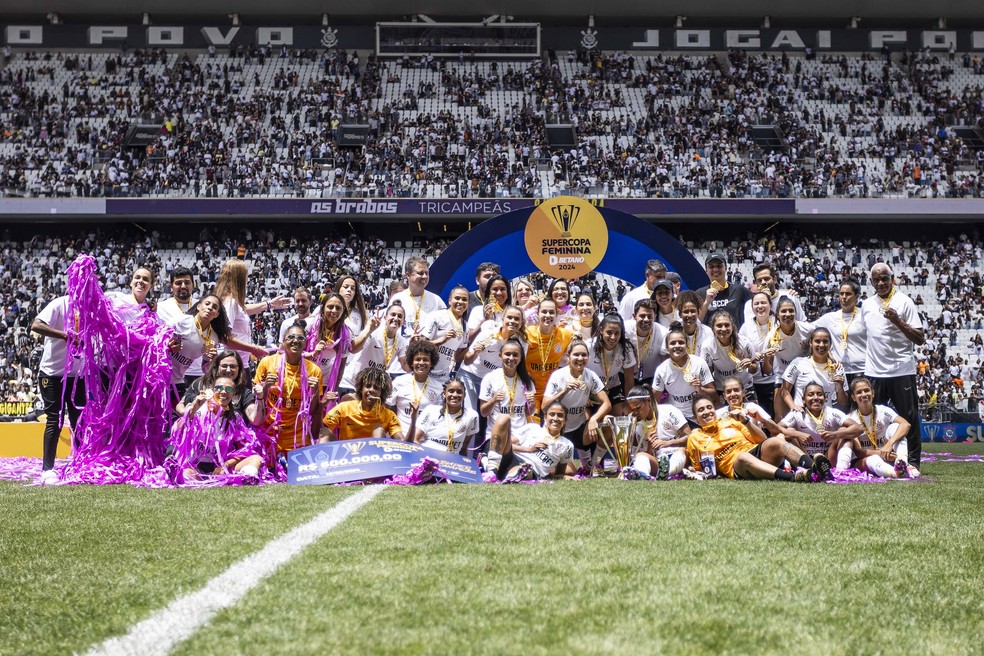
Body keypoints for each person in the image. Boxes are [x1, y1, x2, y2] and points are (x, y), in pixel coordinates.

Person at [861, 263, 925, 466]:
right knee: (873, 420)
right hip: (874, 372)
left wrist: (898, 321)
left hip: (901, 371)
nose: (881, 283)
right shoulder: (866, 305)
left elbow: (920, 338)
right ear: (871, 282)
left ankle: (913, 462)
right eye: (876, 279)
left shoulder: (904, 302)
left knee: (909, 418)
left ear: (892, 278)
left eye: (884, 278)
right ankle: (877, 459)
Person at [685, 395, 831, 482]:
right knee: (742, 457)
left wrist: (746, 421)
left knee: (775, 441)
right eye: (701, 410)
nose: (707, 412)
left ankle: (814, 467)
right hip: (738, 467)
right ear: (696, 418)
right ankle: (793, 478)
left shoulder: (730, 421)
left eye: (709, 407)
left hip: (755, 452)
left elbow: (762, 440)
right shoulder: (695, 437)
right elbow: (699, 468)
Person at [164, 294, 265, 398]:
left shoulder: (213, 337)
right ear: (199, 306)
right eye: (207, 304)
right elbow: (156, 343)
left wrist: (211, 359)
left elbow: (205, 368)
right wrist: (167, 347)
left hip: (177, 380)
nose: (210, 307)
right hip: (161, 376)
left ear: (216, 314)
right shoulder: (181, 321)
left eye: (214, 307)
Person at [169, 375, 267, 483]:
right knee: (186, 473)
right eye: (219, 388)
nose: (223, 392)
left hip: (221, 468)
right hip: (195, 466)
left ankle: (248, 481)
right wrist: (193, 410)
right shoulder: (198, 410)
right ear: (212, 391)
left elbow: (244, 450)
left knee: (256, 459)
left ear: (233, 394)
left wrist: (226, 465)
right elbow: (178, 432)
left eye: (229, 389)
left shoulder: (235, 419)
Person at [30, 294, 86, 483]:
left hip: (77, 373)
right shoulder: (59, 303)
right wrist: (64, 335)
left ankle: (80, 464)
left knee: (80, 420)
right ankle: (48, 469)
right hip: (52, 373)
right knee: (55, 419)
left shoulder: (91, 307)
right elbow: (36, 325)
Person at [254, 321, 324, 455]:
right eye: (291, 337)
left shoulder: (314, 370)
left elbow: (313, 410)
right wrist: (266, 386)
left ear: (306, 342)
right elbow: (258, 402)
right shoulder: (267, 363)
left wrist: (314, 392)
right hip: (269, 432)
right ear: (283, 341)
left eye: (300, 338)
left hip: (297, 436)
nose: (295, 341)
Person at [542, 339, 612, 473]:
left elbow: (607, 403)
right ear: (568, 357)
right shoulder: (558, 376)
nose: (580, 358)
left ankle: (594, 466)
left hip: (579, 429)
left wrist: (593, 419)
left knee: (608, 422)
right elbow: (544, 407)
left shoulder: (590, 375)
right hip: (558, 431)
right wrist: (564, 391)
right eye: (576, 355)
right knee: (567, 472)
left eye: (584, 355)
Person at [839, 376, 919, 478]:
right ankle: (896, 473)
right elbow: (858, 452)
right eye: (859, 392)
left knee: (895, 427)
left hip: (886, 455)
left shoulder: (883, 410)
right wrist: (881, 453)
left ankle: (902, 461)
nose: (864, 394)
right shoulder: (850, 419)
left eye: (866, 390)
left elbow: (905, 424)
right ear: (853, 397)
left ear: (873, 393)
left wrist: (889, 444)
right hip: (864, 460)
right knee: (874, 459)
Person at [215, 259, 289, 364]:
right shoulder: (230, 302)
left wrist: (269, 304)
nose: (248, 280)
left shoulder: (232, 302)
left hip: (237, 362)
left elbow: (243, 310)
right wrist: (253, 349)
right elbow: (225, 337)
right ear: (239, 279)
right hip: (232, 365)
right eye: (246, 276)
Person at [459, 305, 527, 414]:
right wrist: (475, 353)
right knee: (470, 413)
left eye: (517, 319)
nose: (512, 321)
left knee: (492, 414)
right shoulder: (488, 334)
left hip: (495, 381)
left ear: (521, 322)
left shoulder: (522, 343)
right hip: (471, 375)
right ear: (502, 319)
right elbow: (467, 361)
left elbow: (519, 366)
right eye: (509, 317)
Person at [486, 401, 576, 481]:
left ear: (565, 419)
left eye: (560, 415)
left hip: (531, 470)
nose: (555, 418)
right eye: (552, 414)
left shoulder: (567, 445)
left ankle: (510, 475)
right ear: (545, 417)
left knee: (524, 470)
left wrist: (563, 476)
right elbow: (505, 445)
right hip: (512, 458)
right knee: (503, 418)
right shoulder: (532, 428)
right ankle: (492, 471)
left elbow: (557, 473)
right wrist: (529, 449)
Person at [778, 381, 863, 461]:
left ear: (825, 398)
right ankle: (803, 467)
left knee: (844, 431)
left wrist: (835, 434)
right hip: (804, 457)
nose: (815, 398)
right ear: (803, 399)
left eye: (819, 394)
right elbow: (776, 429)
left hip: (828, 457)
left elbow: (859, 428)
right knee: (788, 432)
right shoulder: (797, 413)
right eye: (811, 395)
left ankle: (842, 469)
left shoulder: (832, 412)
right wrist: (797, 434)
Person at [340, 302, 409, 397]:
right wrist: (368, 330)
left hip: (370, 387)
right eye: (393, 314)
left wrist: (414, 348)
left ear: (404, 322)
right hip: (351, 384)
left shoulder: (402, 342)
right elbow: (353, 349)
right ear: (385, 317)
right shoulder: (374, 332)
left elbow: (406, 367)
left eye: (400, 316)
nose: (396, 318)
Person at [651, 323, 717, 424]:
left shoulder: (699, 363)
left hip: (699, 415)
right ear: (667, 349)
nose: (677, 346)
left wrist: (700, 389)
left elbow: (713, 394)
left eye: (681, 342)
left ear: (687, 345)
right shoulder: (661, 370)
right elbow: (655, 400)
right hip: (676, 418)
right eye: (673, 343)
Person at [178, 349, 262, 425]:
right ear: (217, 367)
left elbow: (255, 420)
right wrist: (187, 412)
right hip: (201, 438)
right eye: (224, 366)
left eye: (232, 366)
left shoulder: (243, 392)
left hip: (229, 440)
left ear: (239, 369)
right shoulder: (202, 383)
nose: (228, 370)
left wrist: (260, 398)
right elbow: (181, 404)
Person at [625, 383, 690, 479]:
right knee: (640, 455)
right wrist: (650, 446)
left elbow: (690, 436)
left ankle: (667, 473)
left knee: (682, 451)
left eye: (638, 407)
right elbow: (649, 456)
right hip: (658, 462)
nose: (635, 412)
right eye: (633, 409)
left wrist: (668, 443)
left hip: (678, 455)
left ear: (648, 400)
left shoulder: (669, 411)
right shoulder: (638, 426)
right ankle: (643, 475)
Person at [479, 337, 535, 446]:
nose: (511, 358)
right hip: (497, 435)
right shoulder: (490, 378)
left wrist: (532, 403)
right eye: (507, 354)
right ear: (500, 356)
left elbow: (529, 412)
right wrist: (493, 400)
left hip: (520, 436)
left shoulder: (526, 379)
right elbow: (484, 412)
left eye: (515, 355)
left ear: (521, 357)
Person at [321, 367, 403, 441]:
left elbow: (400, 439)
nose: (371, 390)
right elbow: (319, 430)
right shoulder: (344, 407)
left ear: (382, 393)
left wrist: (413, 420)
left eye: (376, 388)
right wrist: (322, 405)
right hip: (346, 454)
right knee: (325, 431)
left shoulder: (388, 415)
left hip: (372, 456)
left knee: (379, 431)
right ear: (361, 389)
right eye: (368, 386)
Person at [779, 327, 848, 412]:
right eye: (817, 341)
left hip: (826, 419)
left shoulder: (838, 368)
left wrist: (840, 387)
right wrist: (793, 407)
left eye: (825, 341)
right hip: (801, 416)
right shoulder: (798, 363)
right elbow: (784, 390)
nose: (821, 345)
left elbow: (843, 403)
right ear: (811, 343)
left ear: (830, 344)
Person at [157, 267, 205, 386]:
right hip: (172, 375)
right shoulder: (160, 308)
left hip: (199, 372)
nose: (183, 286)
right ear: (171, 286)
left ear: (193, 285)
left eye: (187, 282)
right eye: (178, 283)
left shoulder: (204, 307)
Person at [767, 296, 814, 418]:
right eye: (783, 311)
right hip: (783, 376)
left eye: (791, 311)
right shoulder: (772, 337)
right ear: (777, 315)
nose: (787, 314)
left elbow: (822, 342)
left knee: (807, 415)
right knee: (780, 417)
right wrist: (767, 358)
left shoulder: (808, 329)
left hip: (805, 374)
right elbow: (767, 370)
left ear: (796, 312)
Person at [526, 298, 574, 415]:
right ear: (537, 313)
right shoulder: (527, 333)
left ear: (557, 314)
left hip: (553, 392)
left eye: (551, 312)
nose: (548, 315)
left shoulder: (565, 334)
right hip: (531, 393)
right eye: (544, 312)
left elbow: (577, 351)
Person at [304, 292, 352, 409]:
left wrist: (334, 390)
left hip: (326, 384)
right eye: (330, 307)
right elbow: (295, 354)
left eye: (338, 308)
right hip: (306, 381)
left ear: (343, 312)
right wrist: (312, 353)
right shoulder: (309, 326)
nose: (334, 311)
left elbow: (341, 366)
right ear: (323, 308)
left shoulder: (346, 334)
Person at [815, 279, 867, 383]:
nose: (844, 297)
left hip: (863, 370)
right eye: (841, 294)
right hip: (839, 371)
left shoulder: (865, 316)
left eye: (848, 294)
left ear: (857, 296)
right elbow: (806, 328)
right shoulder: (830, 318)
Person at [388, 340, 443, 436]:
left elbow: (437, 418)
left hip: (423, 441)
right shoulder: (399, 382)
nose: (421, 363)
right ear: (411, 362)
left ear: (431, 363)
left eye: (425, 360)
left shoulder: (438, 387)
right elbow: (388, 410)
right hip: (400, 437)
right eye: (417, 359)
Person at [411, 378, 479, 455]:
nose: (455, 395)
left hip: (452, 462)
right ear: (444, 393)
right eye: (451, 391)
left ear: (464, 395)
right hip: (428, 457)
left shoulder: (472, 415)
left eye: (459, 392)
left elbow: (464, 447)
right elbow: (415, 439)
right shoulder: (430, 410)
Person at [586, 314, 637, 412]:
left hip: (612, 388)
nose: (613, 337)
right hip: (590, 389)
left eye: (617, 333)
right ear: (601, 330)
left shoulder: (625, 348)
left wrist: (628, 404)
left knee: (622, 414)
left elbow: (629, 379)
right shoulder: (589, 346)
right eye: (609, 332)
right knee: (587, 417)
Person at [701, 310, 758, 397]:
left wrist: (750, 365)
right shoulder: (707, 346)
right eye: (719, 326)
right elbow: (708, 373)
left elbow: (754, 369)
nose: (723, 329)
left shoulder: (744, 342)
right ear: (712, 328)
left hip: (744, 386)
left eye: (727, 325)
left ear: (732, 327)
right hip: (722, 388)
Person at [421, 285, 469, 383]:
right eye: (457, 298)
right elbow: (421, 345)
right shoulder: (437, 316)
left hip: (443, 377)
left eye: (464, 299)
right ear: (449, 300)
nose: (460, 302)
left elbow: (458, 357)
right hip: (424, 372)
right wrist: (442, 340)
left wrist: (474, 346)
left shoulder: (465, 326)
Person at [738, 291, 777, 412]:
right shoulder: (746, 327)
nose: (760, 306)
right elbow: (741, 351)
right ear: (752, 307)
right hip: (755, 381)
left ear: (770, 305)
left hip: (777, 380)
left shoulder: (778, 323)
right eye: (757, 303)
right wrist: (752, 358)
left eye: (763, 303)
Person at [391, 256, 446, 334]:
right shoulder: (397, 299)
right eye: (420, 273)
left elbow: (444, 328)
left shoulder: (437, 300)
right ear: (408, 275)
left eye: (427, 273)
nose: (425, 276)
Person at [697, 251, 751, 328]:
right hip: (709, 339)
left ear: (725, 268)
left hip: (735, 339)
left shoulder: (739, 290)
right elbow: (696, 322)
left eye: (719, 266)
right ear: (706, 270)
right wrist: (706, 303)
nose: (715, 269)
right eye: (711, 267)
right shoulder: (699, 293)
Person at [716, 375, 783, 436]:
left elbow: (776, 430)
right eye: (729, 391)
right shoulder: (718, 413)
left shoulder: (751, 407)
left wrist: (761, 419)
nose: (733, 394)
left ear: (743, 393)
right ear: (724, 396)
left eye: (736, 390)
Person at [741, 262, 805, 325]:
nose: (763, 282)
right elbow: (751, 330)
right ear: (756, 283)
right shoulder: (751, 305)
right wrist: (765, 299)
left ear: (775, 280)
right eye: (759, 280)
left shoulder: (790, 297)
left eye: (766, 279)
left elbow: (802, 323)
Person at [627, 300, 666, 386]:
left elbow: (665, 363)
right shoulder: (624, 330)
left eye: (650, 316)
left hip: (651, 377)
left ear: (655, 317)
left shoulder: (663, 333)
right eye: (642, 316)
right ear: (634, 316)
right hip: (625, 374)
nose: (646, 319)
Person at [466, 274, 511, 340]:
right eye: (495, 289)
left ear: (508, 293)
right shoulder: (477, 311)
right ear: (489, 293)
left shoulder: (514, 312)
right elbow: (468, 339)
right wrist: (486, 319)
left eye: (502, 289)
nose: (499, 293)